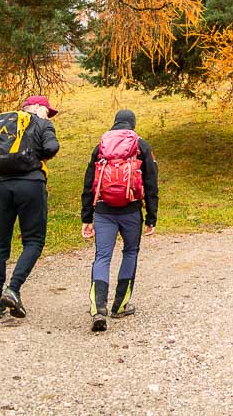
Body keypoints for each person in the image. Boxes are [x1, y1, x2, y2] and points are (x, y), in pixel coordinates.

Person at [0, 94, 60, 319]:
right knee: (34, 241)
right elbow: (52, 147)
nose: (48, 115)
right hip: (31, 186)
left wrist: (4, 163)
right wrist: (34, 158)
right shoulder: (42, 124)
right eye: (47, 110)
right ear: (36, 107)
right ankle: (13, 288)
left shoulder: (4, 126)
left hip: (2, 188)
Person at [81, 108, 158, 332]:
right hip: (131, 211)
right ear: (133, 124)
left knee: (102, 256)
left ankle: (98, 308)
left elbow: (89, 182)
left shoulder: (101, 146)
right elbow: (151, 183)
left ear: (115, 123)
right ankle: (120, 305)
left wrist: (87, 217)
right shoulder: (141, 146)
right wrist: (151, 217)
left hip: (103, 210)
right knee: (130, 252)